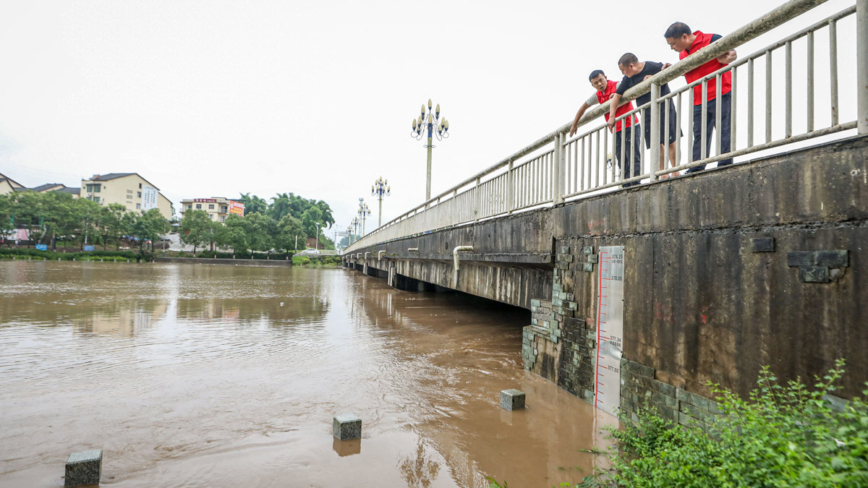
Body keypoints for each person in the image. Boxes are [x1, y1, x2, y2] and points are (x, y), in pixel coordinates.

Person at [665, 22, 737, 172]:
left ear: (684, 36)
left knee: (724, 128)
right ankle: (697, 166)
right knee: (699, 133)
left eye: (672, 44)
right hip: (699, 99)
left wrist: (729, 57)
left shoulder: (712, 39)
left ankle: (725, 163)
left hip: (720, 93)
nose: (671, 47)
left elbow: (732, 52)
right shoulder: (682, 54)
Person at [608, 53, 680, 180]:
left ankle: (675, 170)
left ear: (631, 66)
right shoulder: (628, 78)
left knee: (670, 140)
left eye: (623, 70)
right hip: (647, 113)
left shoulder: (652, 66)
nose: (623, 74)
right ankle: (663, 173)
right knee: (656, 143)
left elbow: (669, 71)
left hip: (665, 106)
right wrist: (611, 116)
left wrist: (655, 77)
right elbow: (617, 96)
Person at [570, 70, 642, 187]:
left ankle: (636, 182)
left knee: (632, 154)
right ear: (593, 85)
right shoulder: (597, 95)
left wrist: (620, 94)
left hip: (630, 125)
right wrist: (574, 124)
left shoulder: (618, 85)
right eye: (595, 83)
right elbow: (583, 107)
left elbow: (635, 88)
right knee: (621, 157)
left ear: (606, 78)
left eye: (601, 80)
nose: (599, 84)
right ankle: (625, 184)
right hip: (616, 129)